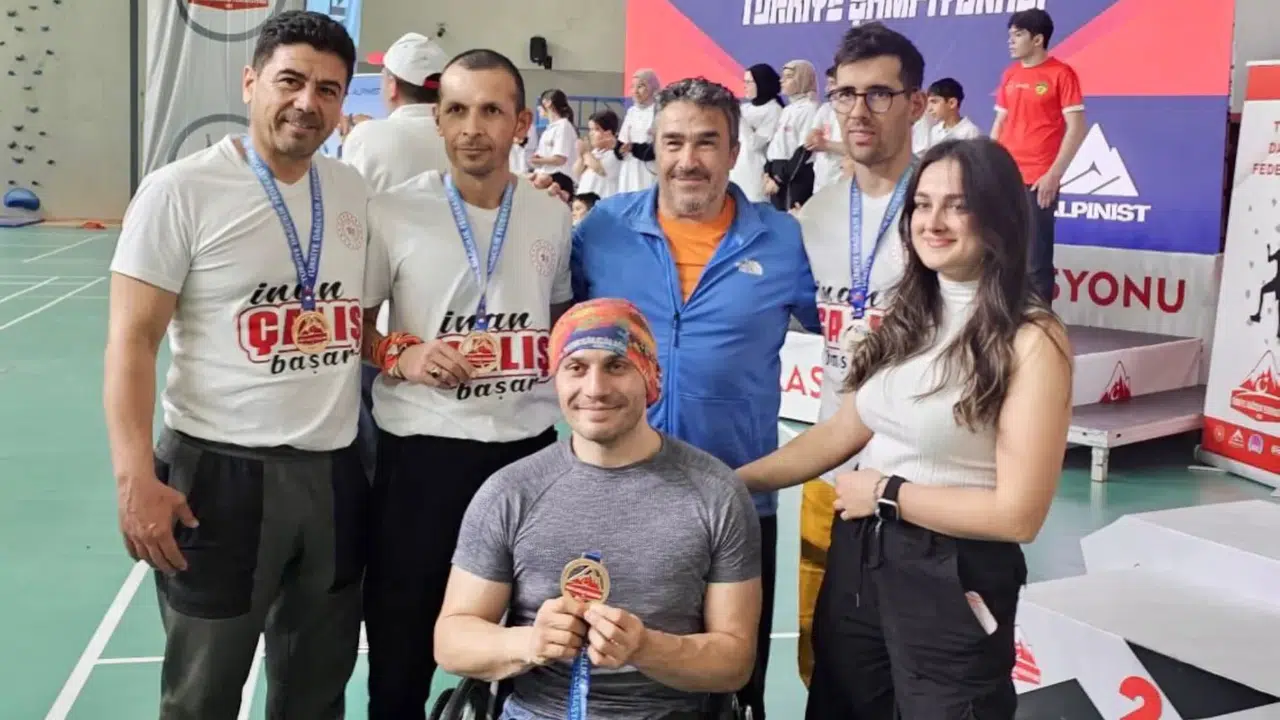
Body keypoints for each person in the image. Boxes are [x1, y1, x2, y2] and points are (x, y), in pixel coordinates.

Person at [738, 136, 1073, 719]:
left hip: (952, 572)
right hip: (860, 558)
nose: (932, 222)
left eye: (957, 206)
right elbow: (842, 431)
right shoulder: (909, 317)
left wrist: (887, 494)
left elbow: (1019, 514)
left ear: (998, 217)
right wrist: (731, 482)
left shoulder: (1031, 338)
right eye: (922, 204)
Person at [104, 11, 368, 719]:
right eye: (290, 81)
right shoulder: (180, 191)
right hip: (219, 477)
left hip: (334, 474)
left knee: (316, 690)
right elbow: (132, 341)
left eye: (328, 89)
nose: (307, 102)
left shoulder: (351, 191)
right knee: (203, 694)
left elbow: (364, 318)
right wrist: (135, 479)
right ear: (251, 82)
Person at [570, 76, 821, 720]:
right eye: (674, 141)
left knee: (734, 687)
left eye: (707, 142)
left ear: (735, 151)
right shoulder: (603, 229)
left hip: (738, 499)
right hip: (617, 496)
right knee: (616, 681)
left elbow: (857, 331)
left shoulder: (783, 241)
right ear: (653, 147)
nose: (689, 159)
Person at [358, 48, 575, 720]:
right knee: (403, 647)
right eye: (456, 110)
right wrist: (401, 355)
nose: (472, 127)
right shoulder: (392, 211)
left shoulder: (550, 215)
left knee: (531, 648)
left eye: (490, 110)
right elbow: (355, 326)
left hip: (529, 457)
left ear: (521, 123)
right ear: (438, 121)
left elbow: (561, 319)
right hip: (424, 454)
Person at [435, 298, 762, 720]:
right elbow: (452, 642)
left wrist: (647, 648)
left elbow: (734, 663)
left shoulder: (717, 494)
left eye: (616, 366)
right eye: (576, 367)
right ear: (556, 380)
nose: (595, 389)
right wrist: (529, 643)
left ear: (649, 376)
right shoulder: (510, 492)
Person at [790, 21, 926, 688]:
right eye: (845, 94)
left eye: (879, 94)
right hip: (832, 467)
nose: (858, 111)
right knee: (822, 660)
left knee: (916, 669)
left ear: (916, 104)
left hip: (921, 480)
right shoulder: (816, 216)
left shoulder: (944, 210)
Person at [991, 8, 1086, 304]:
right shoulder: (1010, 74)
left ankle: (1039, 323)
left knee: (1036, 261)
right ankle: (1004, 319)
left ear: (1037, 39)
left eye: (1018, 35)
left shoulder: (1061, 74)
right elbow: (1000, 123)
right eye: (1010, 35)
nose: (1011, 41)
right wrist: (989, 165)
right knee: (1002, 255)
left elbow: (1077, 128)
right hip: (1005, 176)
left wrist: (1054, 174)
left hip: (1038, 179)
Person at [344, 31, 450, 192]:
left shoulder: (366, 136)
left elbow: (347, 198)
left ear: (392, 86)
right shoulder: (460, 137)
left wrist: (352, 138)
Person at [922, 78, 981, 150]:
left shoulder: (971, 132)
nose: (929, 109)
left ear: (952, 103)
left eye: (934, 102)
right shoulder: (935, 130)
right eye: (928, 103)